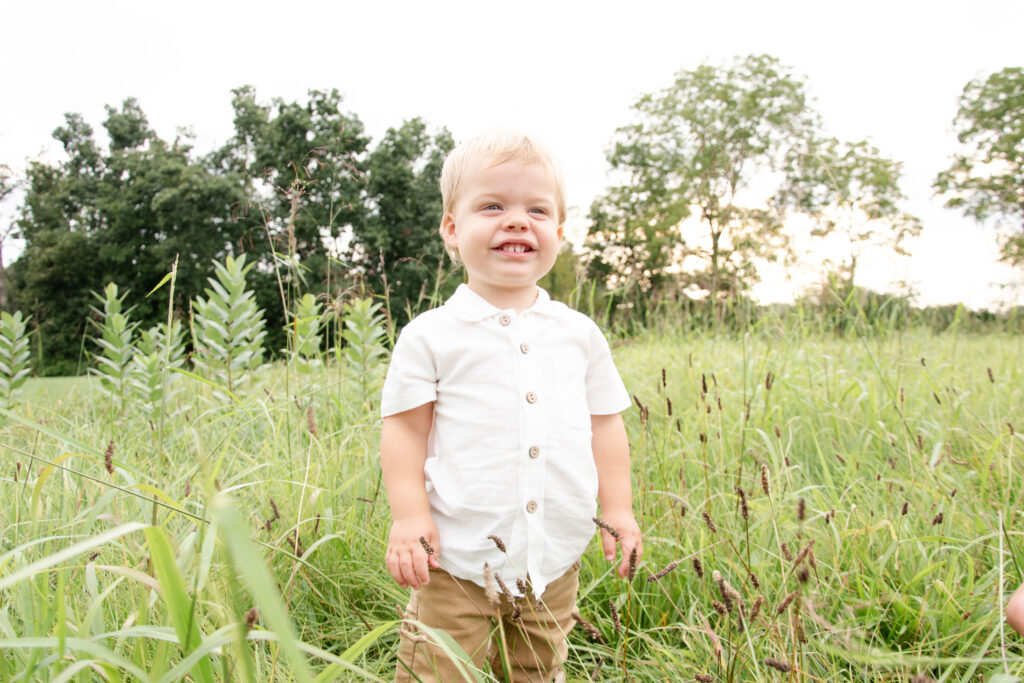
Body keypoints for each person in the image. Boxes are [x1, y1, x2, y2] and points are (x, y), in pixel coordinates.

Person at [379, 129, 642, 682]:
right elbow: (405, 432)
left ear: (559, 233)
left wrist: (617, 510)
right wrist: (409, 516)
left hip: (552, 555)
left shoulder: (579, 334)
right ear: (452, 227)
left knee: (537, 670)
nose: (518, 221)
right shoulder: (431, 336)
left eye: (537, 210)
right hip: (454, 559)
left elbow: (605, 426)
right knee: (439, 671)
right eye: (493, 206)